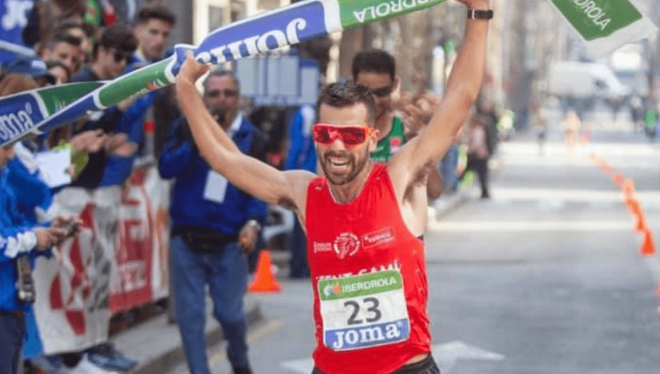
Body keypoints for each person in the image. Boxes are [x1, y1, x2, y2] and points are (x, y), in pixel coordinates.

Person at [173, 0, 490, 372]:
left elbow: (461, 97)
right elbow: (226, 160)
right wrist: (187, 88)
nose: (337, 145)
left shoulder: (399, 177)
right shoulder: (306, 193)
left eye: (351, 135)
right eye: (326, 133)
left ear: (372, 139)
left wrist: (478, 13)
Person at [159, 69, 268, 374]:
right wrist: (195, 142)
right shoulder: (185, 127)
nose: (221, 100)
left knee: (231, 316)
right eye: (214, 94)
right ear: (205, 99)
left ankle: (240, 362)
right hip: (187, 242)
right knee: (190, 320)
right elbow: (165, 168)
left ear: (239, 98)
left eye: (228, 94)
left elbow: (263, 186)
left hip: (230, 243)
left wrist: (253, 224)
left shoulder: (252, 136)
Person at [351, 50, 443, 201]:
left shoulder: (405, 128)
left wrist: (417, 140)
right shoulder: (343, 131)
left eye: (382, 92)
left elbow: (435, 190)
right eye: (365, 92)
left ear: (394, 85)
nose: (374, 100)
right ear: (352, 85)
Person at [285, 104, 317, 279]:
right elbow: (299, 147)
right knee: (303, 226)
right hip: (308, 177)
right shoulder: (307, 114)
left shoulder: (304, 114)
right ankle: (300, 266)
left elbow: (296, 148)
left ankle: (300, 266)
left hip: (305, 176)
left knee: (302, 226)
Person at [459, 115, 490, 199]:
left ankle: (484, 192)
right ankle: (484, 191)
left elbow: (477, 143)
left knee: (480, 174)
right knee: (480, 174)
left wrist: (470, 150)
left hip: (478, 155)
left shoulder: (478, 130)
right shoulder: (476, 130)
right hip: (479, 155)